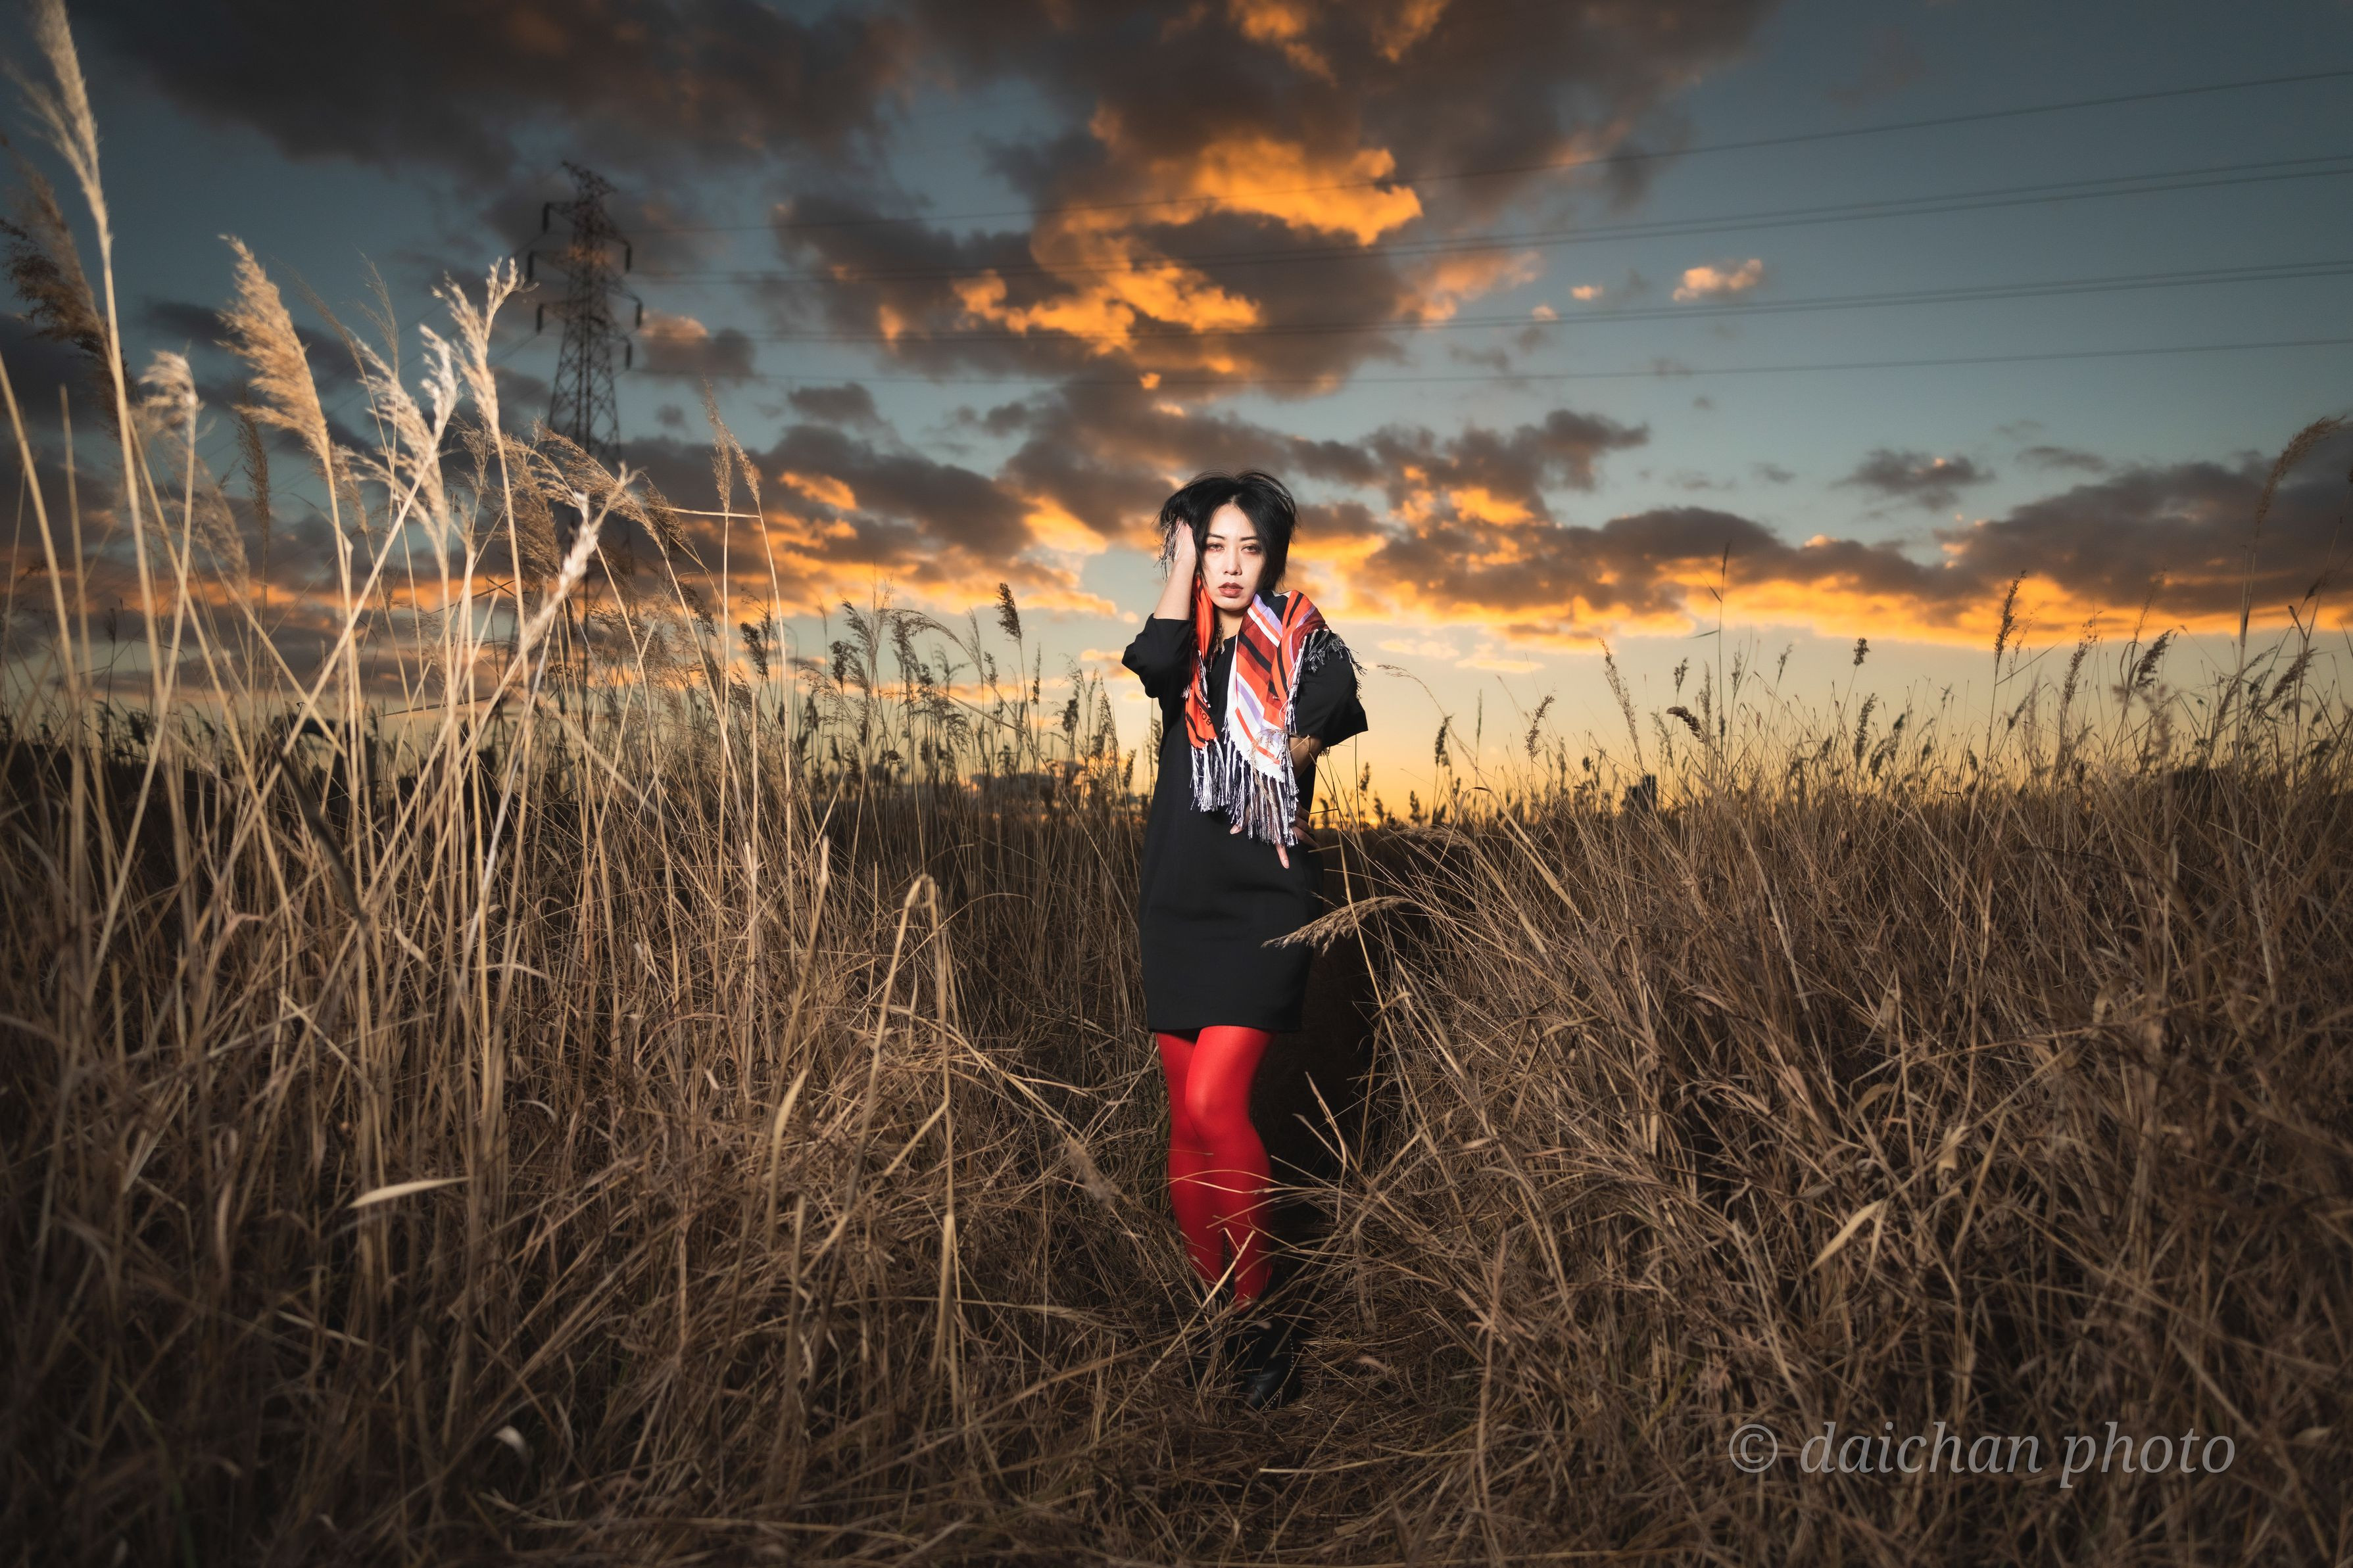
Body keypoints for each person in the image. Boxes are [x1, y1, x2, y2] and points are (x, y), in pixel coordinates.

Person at [1119, 469, 1367, 1410]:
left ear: (1273, 557)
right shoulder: (1180, 649)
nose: (1229, 566)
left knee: (1217, 1102)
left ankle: (1263, 1320)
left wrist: (1279, 746)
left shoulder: (1301, 637)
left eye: (1247, 548)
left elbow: (1334, 697)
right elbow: (1150, 659)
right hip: (1176, 903)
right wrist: (1176, 559)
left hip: (1263, 904)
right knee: (1184, 1123)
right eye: (1211, 547)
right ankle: (1213, 1317)